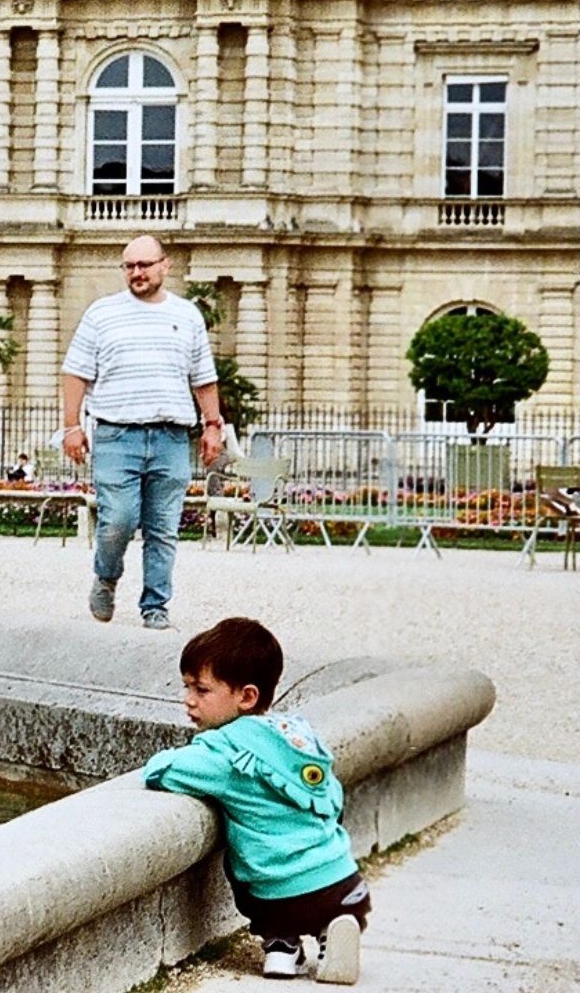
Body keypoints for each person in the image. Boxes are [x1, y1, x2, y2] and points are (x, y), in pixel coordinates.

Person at [143, 618, 369, 984]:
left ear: (246, 696)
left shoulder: (226, 751)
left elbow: (167, 771)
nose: (188, 700)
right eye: (186, 687)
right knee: (324, 900)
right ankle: (330, 932)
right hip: (340, 878)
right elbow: (333, 796)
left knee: (257, 881)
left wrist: (156, 762)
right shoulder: (297, 736)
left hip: (277, 892)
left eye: (201, 690)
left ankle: (280, 946)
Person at [62, 234, 222, 631]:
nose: (136, 273)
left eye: (144, 265)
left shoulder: (187, 316)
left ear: (165, 266)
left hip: (171, 436)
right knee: (118, 518)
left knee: (163, 527)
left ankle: (155, 604)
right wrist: (71, 425)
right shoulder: (102, 314)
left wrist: (213, 424)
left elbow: (204, 377)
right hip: (118, 435)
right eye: (129, 266)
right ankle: (106, 576)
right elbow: (76, 372)